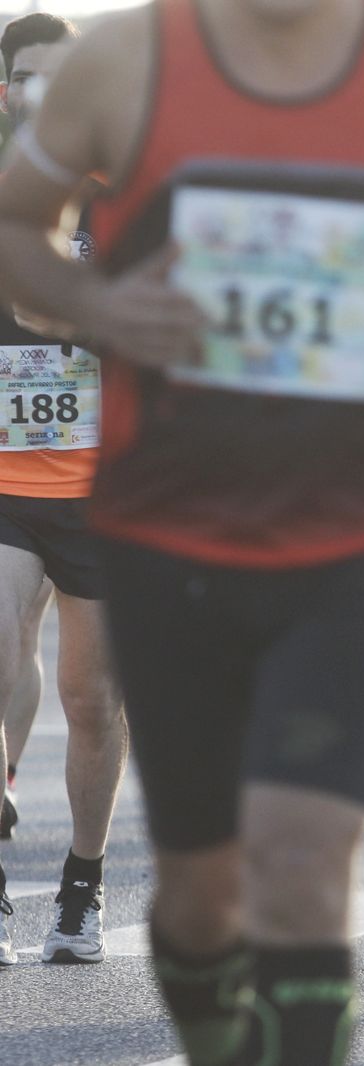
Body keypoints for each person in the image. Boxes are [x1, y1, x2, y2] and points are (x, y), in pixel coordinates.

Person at [0, 0, 364, 1058]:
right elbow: (13, 226)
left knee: (307, 869)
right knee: (201, 893)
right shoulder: (128, 60)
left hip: (357, 537)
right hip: (169, 531)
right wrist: (99, 305)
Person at [0, 11, 128, 968]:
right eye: (27, 77)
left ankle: (81, 884)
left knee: (92, 702)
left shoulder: (126, 198)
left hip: (105, 487)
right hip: (3, 475)